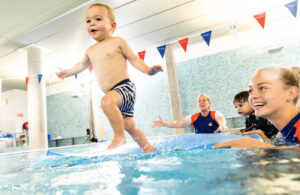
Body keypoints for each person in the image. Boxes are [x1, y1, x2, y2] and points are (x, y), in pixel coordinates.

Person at [56, 4, 163, 153]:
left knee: (106, 102)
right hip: (115, 95)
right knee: (129, 126)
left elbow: (134, 59)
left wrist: (148, 70)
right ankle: (148, 148)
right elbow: (81, 65)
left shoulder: (118, 42)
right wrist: (68, 72)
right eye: (88, 21)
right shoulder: (90, 50)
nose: (92, 23)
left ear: (112, 25)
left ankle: (119, 137)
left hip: (124, 88)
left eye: (98, 19)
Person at [213, 66, 300, 148]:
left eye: (262, 88)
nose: (252, 96)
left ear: (291, 93)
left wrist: (265, 147)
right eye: (251, 90)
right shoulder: (285, 132)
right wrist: (266, 141)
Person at [152, 94, 228, 133]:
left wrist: (222, 125)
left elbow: (221, 119)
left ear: (209, 103)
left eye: (204, 100)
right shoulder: (194, 117)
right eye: (199, 101)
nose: (201, 102)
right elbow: (178, 123)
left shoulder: (215, 114)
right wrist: (164, 123)